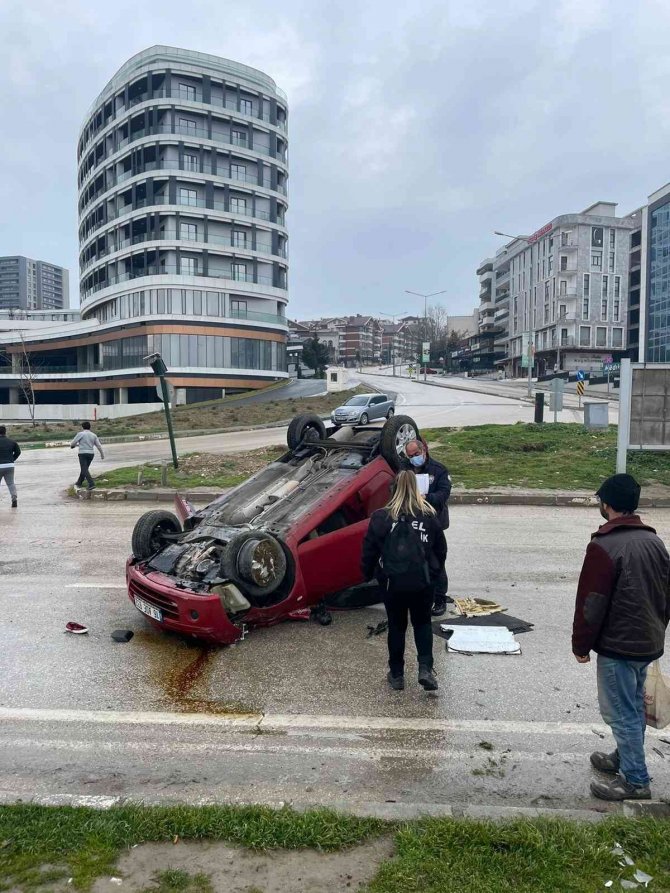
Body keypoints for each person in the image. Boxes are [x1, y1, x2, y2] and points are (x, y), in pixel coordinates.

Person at [572, 473, 670, 801]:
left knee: (622, 712)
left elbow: (591, 603)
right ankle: (624, 757)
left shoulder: (603, 546)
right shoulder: (654, 541)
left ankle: (635, 781)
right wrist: (657, 630)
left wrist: (581, 645)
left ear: (608, 505)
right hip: (647, 642)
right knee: (633, 706)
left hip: (619, 647)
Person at [361, 470, 447, 692]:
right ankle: (425, 669)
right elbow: (440, 550)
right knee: (422, 623)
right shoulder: (429, 516)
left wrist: (369, 574)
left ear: (393, 490)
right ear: (417, 489)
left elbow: (369, 550)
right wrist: (433, 576)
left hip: (392, 583)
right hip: (422, 582)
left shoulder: (381, 517)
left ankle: (397, 674)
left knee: (397, 626)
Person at [404, 438, 452, 616]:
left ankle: (439, 598)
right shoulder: (405, 469)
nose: (413, 458)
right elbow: (394, 488)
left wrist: (426, 498)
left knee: (436, 561)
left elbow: (443, 494)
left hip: (433, 523)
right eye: (410, 456)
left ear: (424, 450)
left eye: (416, 454)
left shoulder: (438, 470)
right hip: (412, 523)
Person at [71, 421, 104, 489]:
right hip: (91, 454)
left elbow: (73, 443)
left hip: (82, 454)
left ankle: (91, 484)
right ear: (90, 427)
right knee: (85, 469)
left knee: (84, 469)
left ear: (82, 427)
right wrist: (102, 454)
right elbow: (99, 446)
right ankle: (79, 483)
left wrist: (73, 446)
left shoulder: (80, 434)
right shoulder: (94, 435)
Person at [0, 425, 21, 509]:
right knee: (11, 483)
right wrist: (12, 459)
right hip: (10, 465)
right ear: (5, 432)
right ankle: (14, 499)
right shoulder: (12, 442)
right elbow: (18, 452)